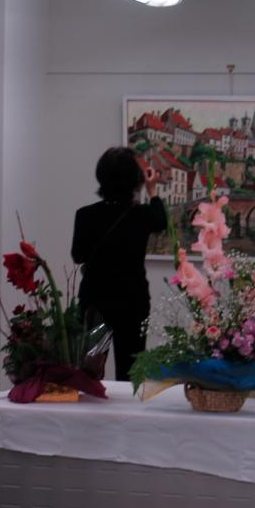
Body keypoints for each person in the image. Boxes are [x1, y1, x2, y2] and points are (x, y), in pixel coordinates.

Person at [71, 147, 168, 382]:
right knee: (130, 371)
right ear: (135, 179)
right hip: (132, 303)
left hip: (96, 303)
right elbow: (161, 221)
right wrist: (152, 190)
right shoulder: (142, 215)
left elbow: (78, 255)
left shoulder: (85, 215)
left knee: (89, 372)